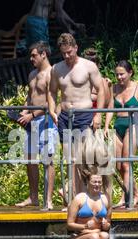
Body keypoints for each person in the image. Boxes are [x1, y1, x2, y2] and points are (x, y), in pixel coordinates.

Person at [48, 33, 105, 198]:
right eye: (63, 53)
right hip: (65, 116)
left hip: (84, 115)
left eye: (69, 52)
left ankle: (82, 197)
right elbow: (52, 91)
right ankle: (74, 198)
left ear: (76, 48)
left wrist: (98, 115)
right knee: (69, 159)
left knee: (81, 159)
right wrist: (52, 110)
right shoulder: (57, 68)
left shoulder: (88, 66)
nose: (67, 56)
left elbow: (101, 90)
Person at [15, 41, 58, 210]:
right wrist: (23, 113)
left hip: (46, 120)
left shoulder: (51, 73)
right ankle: (33, 197)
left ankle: (48, 199)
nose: (31, 58)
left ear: (43, 54)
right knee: (30, 159)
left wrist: (32, 115)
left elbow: (51, 102)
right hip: (31, 120)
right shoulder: (32, 74)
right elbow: (29, 97)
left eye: (34, 55)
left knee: (48, 160)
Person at [104, 60, 138, 208]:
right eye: (117, 74)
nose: (119, 77)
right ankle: (137, 193)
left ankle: (126, 197)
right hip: (118, 125)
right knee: (118, 165)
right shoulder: (114, 88)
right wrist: (106, 126)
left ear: (130, 73)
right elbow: (111, 107)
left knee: (126, 163)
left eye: (122, 74)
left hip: (134, 124)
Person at [67, 168, 111, 239]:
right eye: (94, 182)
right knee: (94, 237)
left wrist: (106, 225)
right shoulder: (79, 198)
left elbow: (108, 225)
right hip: (81, 235)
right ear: (88, 182)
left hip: (98, 234)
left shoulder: (106, 199)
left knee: (105, 236)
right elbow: (69, 225)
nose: (97, 184)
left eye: (99, 182)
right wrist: (85, 226)